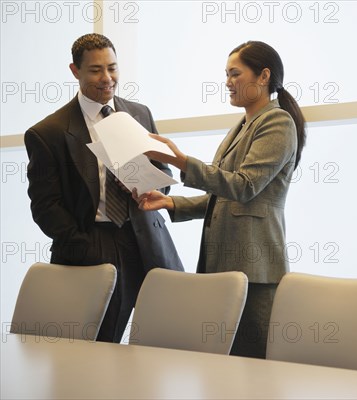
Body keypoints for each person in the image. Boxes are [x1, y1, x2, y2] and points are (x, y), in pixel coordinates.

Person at [136, 40, 306, 358]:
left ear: (263, 76)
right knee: (221, 367)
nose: (227, 82)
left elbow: (244, 187)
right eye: (226, 74)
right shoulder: (241, 126)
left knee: (253, 369)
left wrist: (181, 161)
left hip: (255, 268)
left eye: (235, 73)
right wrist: (171, 202)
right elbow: (224, 197)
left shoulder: (277, 122)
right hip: (225, 267)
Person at [24, 33, 184, 343]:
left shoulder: (139, 113)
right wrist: (83, 242)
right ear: (75, 71)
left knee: (167, 340)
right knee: (99, 344)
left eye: (112, 67)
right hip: (92, 243)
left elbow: (162, 170)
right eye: (96, 70)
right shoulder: (48, 132)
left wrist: (147, 182)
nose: (107, 78)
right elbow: (45, 206)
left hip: (149, 237)